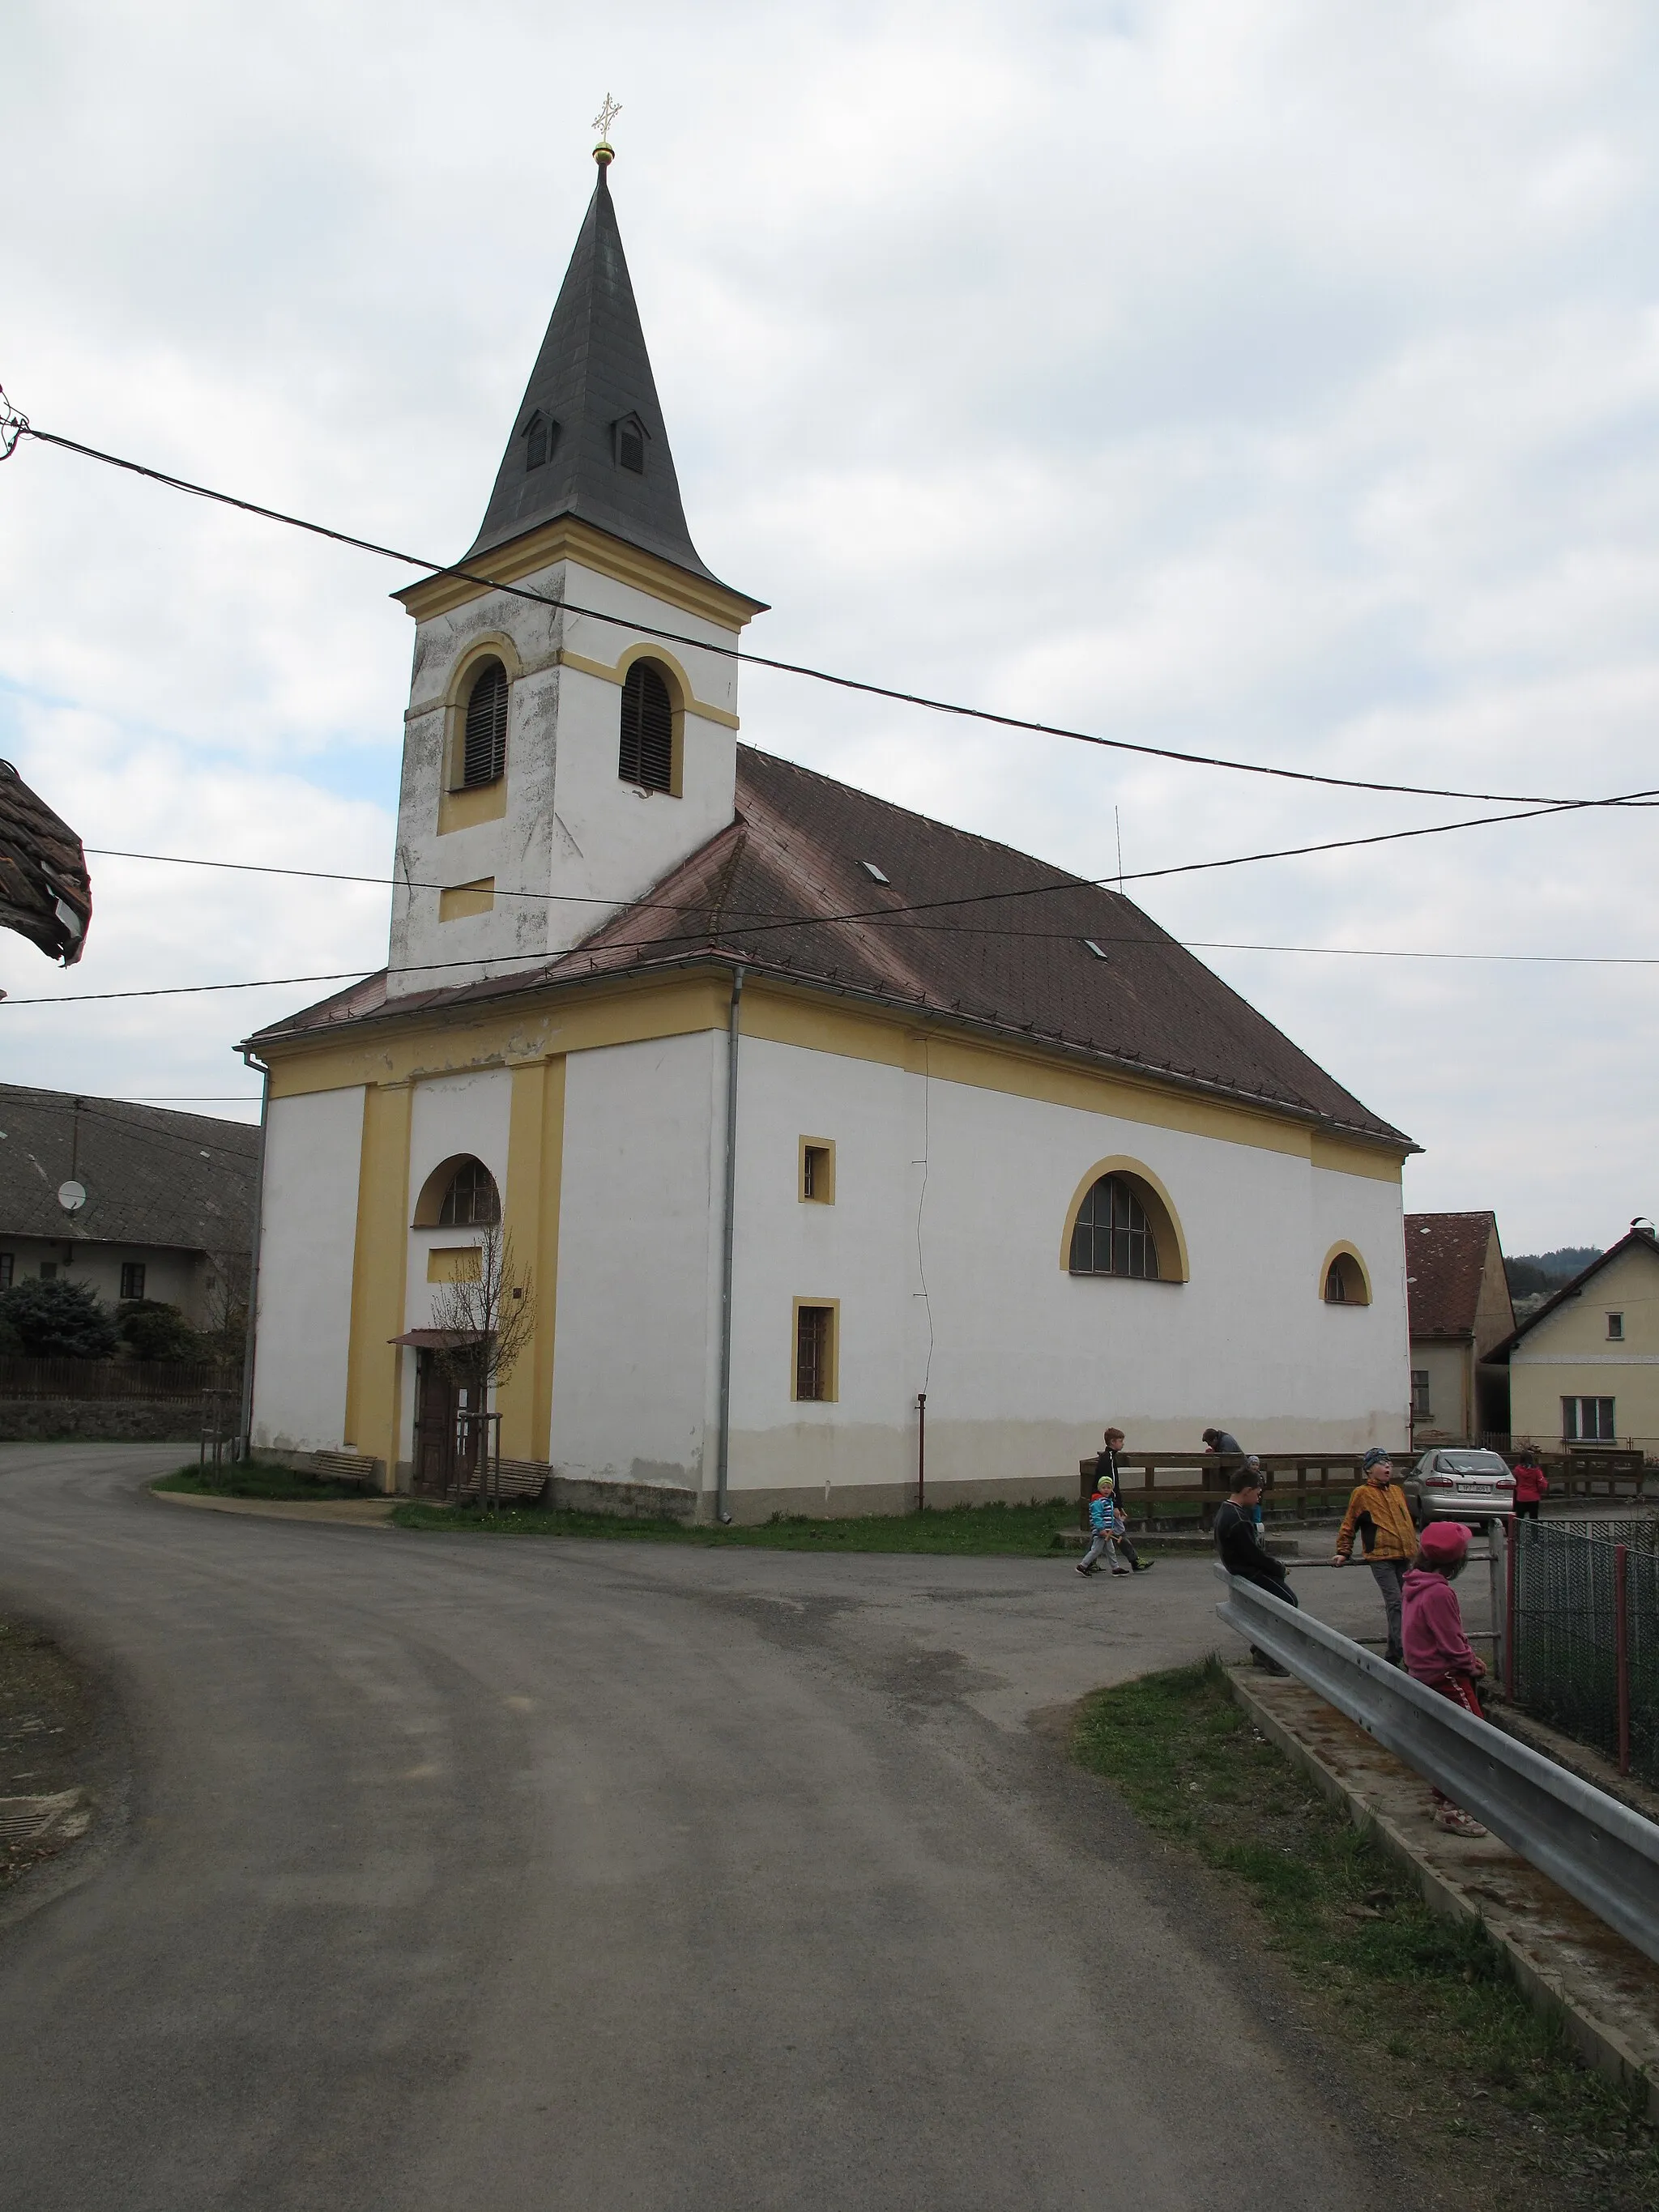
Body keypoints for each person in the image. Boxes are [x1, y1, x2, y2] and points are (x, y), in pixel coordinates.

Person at [1402, 1522, 1489, 1838]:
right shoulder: (1440, 1592)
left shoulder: (1414, 1582)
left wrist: (1466, 1655)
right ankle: (1453, 1808)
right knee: (1474, 1739)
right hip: (1445, 1676)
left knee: (1446, 1739)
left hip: (1423, 1673)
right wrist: (1470, 1664)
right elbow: (1451, 1641)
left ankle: (1442, 1797)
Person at [1333, 1447, 1418, 1666]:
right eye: (1381, 1463)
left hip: (1404, 1555)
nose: (1388, 1466)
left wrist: (1415, 1548)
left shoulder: (1397, 1492)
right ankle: (1405, 1651)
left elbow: (1407, 1523)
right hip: (1381, 1557)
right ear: (1369, 1470)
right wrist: (1344, 1551)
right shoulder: (1362, 1494)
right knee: (1396, 1602)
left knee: (1408, 1602)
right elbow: (1349, 1523)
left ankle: (1393, 1654)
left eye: (1389, 1462)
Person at [1214, 1466, 1299, 1672]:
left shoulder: (1226, 1511)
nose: (1259, 1498)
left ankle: (1262, 1649)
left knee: (1282, 1601)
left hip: (1240, 1568)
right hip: (1248, 1571)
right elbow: (1253, 1555)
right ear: (1247, 1490)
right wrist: (1277, 1568)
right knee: (1288, 1601)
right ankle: (1268, 1653)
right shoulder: (1239, 1519)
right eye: (1258, 1493)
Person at [1086, 1428, 1154, 1574]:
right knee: (1118, 1531)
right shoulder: (1108, 1459)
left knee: (1100, 1532)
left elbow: (1112, 1485)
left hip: (1104, 1501)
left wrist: (1118, 1504)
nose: (1123, 1444)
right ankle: (1135, 1561)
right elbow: (1110, 1484)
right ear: (1113, 1442)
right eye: (1121, 1441)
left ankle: (1089, 1562)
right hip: (1104, 1502)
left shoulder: (1108, 1457)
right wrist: (1114, 1505)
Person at [1077, 1474, 1128, 1576]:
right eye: (1104, 1487)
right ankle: (1082, 1566)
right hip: (1101, 1531)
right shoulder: (1098, 1502)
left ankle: (1115, 1568)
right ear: (1099, 1488)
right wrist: (1101, 1529)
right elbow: (1097, 1516)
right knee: (1096, 1550)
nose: (1106, 1490)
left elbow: (1108, 1516)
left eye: (1109, 1488)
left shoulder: (1108, 1501)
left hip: (1107, 1531)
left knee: (1111, 1550)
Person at [1512, 1447, 1548, 1523]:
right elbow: (1542, 1484)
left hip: (1521, 1497)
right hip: (1534, 1497)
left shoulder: (1517, 1470)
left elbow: (1514, 1481)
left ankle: (1519, 1533)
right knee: (1534, 1519)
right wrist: (1541, 1491)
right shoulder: (1536, 1470)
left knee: (1519, 1518)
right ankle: (1533, 1533)